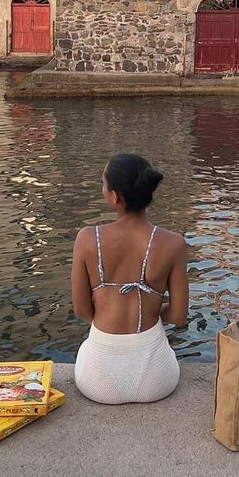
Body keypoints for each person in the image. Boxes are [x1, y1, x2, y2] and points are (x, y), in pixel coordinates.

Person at [71, 153, 188, 405]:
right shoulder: (174, 244)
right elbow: (178, 316)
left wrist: (109, 314)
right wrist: (150, 309)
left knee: (85, 350)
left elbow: (81, 310)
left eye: (103, 184)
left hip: (97, 382)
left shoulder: (87, 239)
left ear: (115, 197)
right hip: (158, 380)